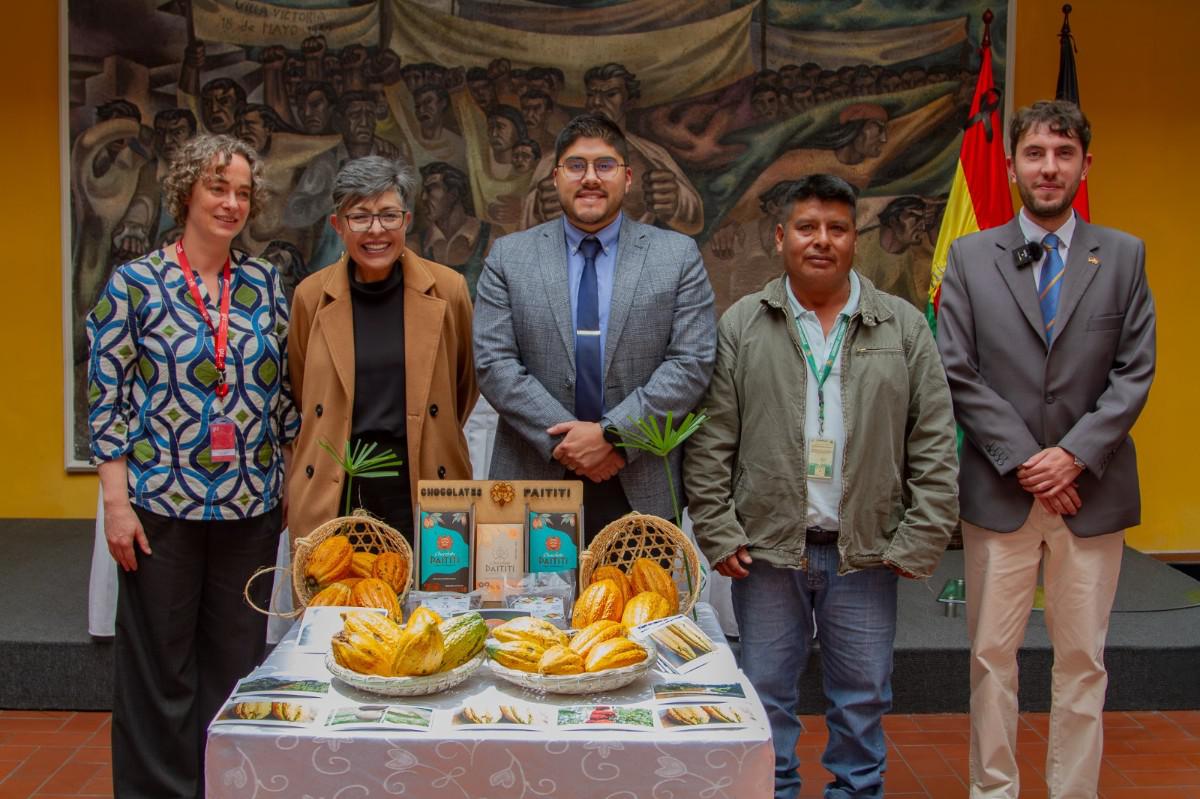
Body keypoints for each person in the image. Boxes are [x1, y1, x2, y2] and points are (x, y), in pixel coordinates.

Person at [685, 174, 958, 799]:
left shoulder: (902, 327)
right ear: (780, 237)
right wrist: (720, 532)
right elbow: (711, 442)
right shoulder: (743, 325)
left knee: (862, 699)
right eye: (807, 228)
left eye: (837, 229)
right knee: (766, 698)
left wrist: (919, 539)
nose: (821, 241)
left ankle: (857, 792)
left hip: (864, 553)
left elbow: (935, 440)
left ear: (854, 240)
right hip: (767, 553)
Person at [936, 100, 1156, 799]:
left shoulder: (1123, 254)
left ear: (1085, 164)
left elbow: (1135, 370)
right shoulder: (970, 256)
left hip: (1091, 492)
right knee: (991, 657)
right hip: (1001, 491)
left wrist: (1074, 456)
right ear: (1012, 166)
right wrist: (1030, 459)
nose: (1049, 167)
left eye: (1064, 154)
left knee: (1083, 660)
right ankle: (993, 789)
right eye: (1035, 153)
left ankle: (1073, 791)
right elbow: (956, 367)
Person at [87, 133, 297, 798]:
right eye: (217, 186)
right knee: (160, 668)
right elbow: (106, 400)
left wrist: (290, 482)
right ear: (186, 191)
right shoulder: (135, 283)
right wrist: (116, 504)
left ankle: (223, 785)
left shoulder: (264, 283)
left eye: (242, 192)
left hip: (249, 507)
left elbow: (284, 395)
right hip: (160, 508)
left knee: (234, 663)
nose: (231, 202)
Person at [475, 112, 716, 543]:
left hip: (639, 476)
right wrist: (571, 445)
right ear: (555, 178)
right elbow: (495, 363)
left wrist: (614, 438)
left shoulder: (676, 256)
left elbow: (691, 362)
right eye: (576, 165)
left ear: (627, 178)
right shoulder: (508, 257)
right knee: (530, 610)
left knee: (645, 605)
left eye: (604, 165)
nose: (590, 178)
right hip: (536, 472)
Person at [287, 156, 477, 546]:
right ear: (337, 225)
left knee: (426, 606)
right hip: (336, 484)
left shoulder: (449, 289)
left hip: (420, 477)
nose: (376, 230)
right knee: (335, 604)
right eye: (360, 217)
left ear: (406, 221)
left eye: (389, 215)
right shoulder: (311, 296)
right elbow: (304, 385)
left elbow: (462, 387)